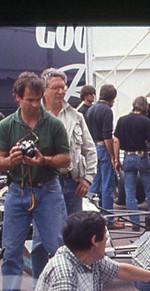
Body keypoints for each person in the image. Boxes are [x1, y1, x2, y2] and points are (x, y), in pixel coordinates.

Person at [0, 71, 70, 291]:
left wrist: (43, 160)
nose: (35, 105)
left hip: (48, 190)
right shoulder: (6, 125)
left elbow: (66, 159)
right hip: (18, 190)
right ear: (17, 97)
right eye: (30, 100)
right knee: (11, 250)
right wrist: (12, 160)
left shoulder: (54, 124)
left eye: (38, 100)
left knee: (58, 248)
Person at [42, 67, 97, 217]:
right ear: (44, 89)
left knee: (74, 232)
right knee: (46, 235)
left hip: (73, 185)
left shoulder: (76, 116)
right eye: (55, 88)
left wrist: (87, 179)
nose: (60, 92)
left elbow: (90, 149)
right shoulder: (36, 116)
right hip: (44, 184)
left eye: (63, 87)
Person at [114, 96, 150, 229]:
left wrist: (116, 159)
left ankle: (135, 222)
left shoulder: (122, 120)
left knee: (130, 191)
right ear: (145, 107)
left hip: (128, 157)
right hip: (142, 157)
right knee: (149, 190)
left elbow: (116, 140)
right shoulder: (146, 121)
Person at [84, 83, 121, 227]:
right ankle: (109, 219)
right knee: (107, 185)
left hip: (92, 147)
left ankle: (92, 217)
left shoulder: (90, 109)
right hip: (103, 148)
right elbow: (107, 136)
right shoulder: (107, 111)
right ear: (112, 98)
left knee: (94, 183)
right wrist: (113, 156)